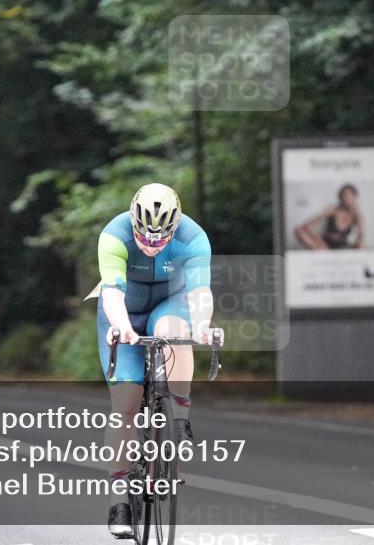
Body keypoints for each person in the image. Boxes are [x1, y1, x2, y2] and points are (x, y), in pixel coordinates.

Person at [93, 183, 215, 539]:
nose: (151, 243)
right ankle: (120, 497)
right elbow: (112, 292)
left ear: (174, 228)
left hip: (170, 302)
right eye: (144, 235)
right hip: (123, 309)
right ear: (133, 221)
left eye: (161, 238)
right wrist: (121, 328)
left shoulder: (194, 238)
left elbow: (199, 292)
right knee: (126, 403)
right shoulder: (113, 235)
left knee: (175, 331)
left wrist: (204, 326)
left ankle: (179, 417)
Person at [294, 184, 364, 250]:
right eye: (344, 195)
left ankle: (326, 253)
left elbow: (360, 236)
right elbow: (312, 221)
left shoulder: (356, 215)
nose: (347, 197)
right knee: (299, 230)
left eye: (350, 195)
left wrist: (359, 248)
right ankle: (323, 251)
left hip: (342, 245)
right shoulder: (333, 209)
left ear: (354, 197)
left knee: (359, 246)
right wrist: (316, 237)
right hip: (324, 244)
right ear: (340, 197)